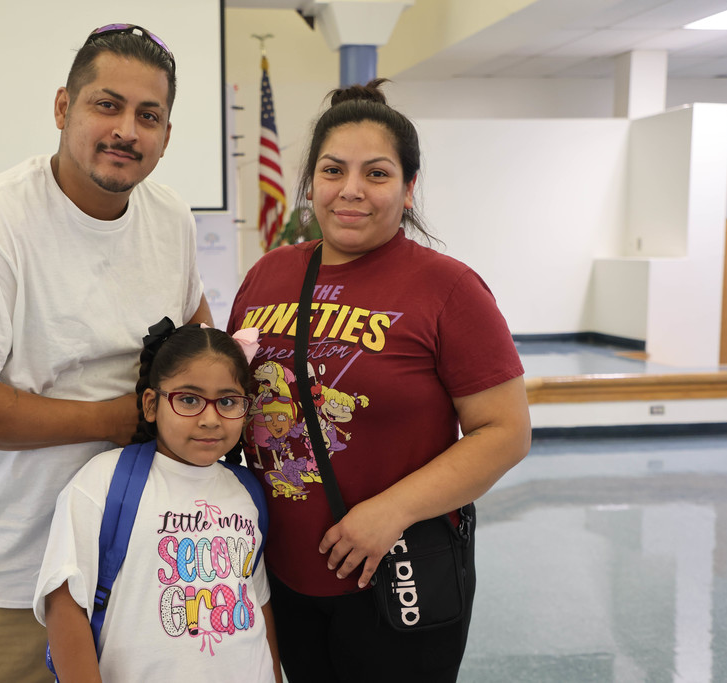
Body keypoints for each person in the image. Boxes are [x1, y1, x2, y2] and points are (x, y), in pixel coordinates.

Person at [0, 24, 211, 683]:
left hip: (133, 562)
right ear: (62, 108)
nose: (127, 129)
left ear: (165, 133)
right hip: (5, 578)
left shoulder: (171, 220)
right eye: (107, 104)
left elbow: (196, 338)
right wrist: (118, 419)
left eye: (149, 115)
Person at [226, 79, 532, 682]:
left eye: (377, 173)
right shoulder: (268, 275)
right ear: (310, 181)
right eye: (333, 170)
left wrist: (390, 510)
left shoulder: (448, 288)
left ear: (409, 187)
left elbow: (506, 432)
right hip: (281, 571)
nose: (351, 191)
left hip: (396, 572)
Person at [34, 322, 283, 682]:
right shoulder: (103, 481)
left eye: (227, 401)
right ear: (151, 404)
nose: (210, 419)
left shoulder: (247, 490)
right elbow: (63, 603)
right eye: (189, 400)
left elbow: (258, 601)